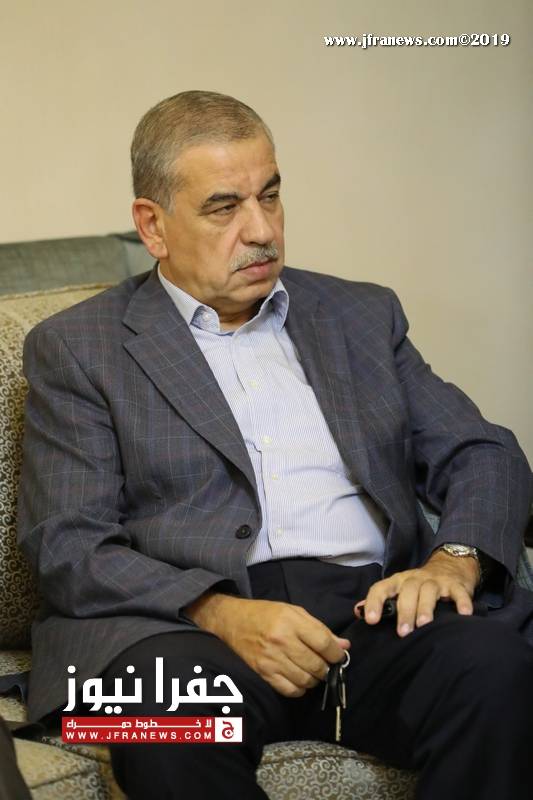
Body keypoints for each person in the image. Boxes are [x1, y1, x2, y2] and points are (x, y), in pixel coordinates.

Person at [17, 90, 533, 800]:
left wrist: (455, 559)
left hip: (370, 612)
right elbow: (68, 543)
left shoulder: (358, 314)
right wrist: (220, 611)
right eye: (224, 207)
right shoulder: (79, 347)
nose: (261, 230)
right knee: (165, 724)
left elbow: (482, 452)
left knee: (498, 670)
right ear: (153, 225)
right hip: (186, 629)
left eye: (270, 195)